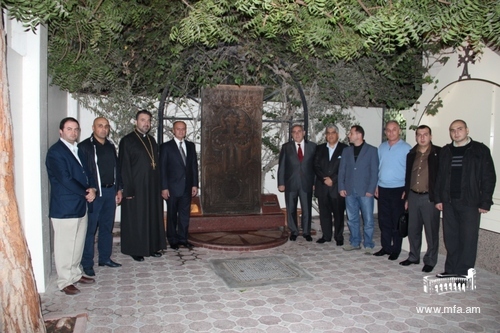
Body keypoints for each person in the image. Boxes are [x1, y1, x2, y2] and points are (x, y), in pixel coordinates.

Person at [434, 119, 496, 277]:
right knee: (451, 238)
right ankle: (450, 270)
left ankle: (464, 273)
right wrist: (439, 199)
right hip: (449, 202)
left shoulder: (480, 150)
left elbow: (489, 177)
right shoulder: (446, 151)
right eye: (452, 130)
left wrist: (485, 201)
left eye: (459, 129)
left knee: (468, 240)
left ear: (467, 130)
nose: (456, 132)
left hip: (470, 202)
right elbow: (439, 177)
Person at [46, 117, 97, 295]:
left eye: (75, 129)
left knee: (77, 244)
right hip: (65, 207)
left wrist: (92, 189)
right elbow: (65, 179)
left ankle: (75, 274)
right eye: (69, 129)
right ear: (61, 131)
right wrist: (86, 192)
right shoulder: (56, 152)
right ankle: (64, 281)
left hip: (80, 206)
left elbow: (87, 172)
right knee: (65, 245)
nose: (73, 132)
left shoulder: (77, 150)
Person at [118, 110, 166, 261]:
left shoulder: (152, 140)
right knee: (137, 218)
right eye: (143, 120)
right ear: (136, 122)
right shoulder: (127, 141)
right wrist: (128, 189)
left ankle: (151, 247)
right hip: (136, 188)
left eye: (148, 121)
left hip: (151, 187)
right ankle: (136, 249)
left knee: (151, 216)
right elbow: (124, 166)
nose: (146, 123)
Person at [79, 117, 123, 277]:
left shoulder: (111, 146)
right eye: (100, 126)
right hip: (95, 195)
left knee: (106, 228)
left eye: (106, 126)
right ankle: (87, 263)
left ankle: (105, 258)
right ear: (93, 127)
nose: (103, 129)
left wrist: (119, 189)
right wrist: (88, 190)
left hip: (110, 192)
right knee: (90, 230)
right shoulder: (84, 147)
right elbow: (81, 172)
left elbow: (116, 169)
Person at [400, 125, 441, 273]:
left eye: (425, 134)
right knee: (413, 229)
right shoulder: (411, 154)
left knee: (431, 231)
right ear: (416, 137)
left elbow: (443, 178)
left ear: (430, 136)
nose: (422, 137)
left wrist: (439, 199)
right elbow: (408, 176)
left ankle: (430, 260)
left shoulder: (439, 153)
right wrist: (406, 196)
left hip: (429, 198)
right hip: (413, 196)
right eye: (419, 134)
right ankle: (413, 256)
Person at [338, 125, 379, 253]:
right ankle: (355, 242)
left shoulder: (372, 150)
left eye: (351, 133)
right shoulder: (346, 151)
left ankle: (368, 244)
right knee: (352, 218)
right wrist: (341, 186)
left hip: (365, 190)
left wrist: (371, 189)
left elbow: (374, 171)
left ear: (359, 135)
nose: (349, 136)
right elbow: (342, 170)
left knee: (368, 219)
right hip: (349, 190)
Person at [374, 121, 411, 260]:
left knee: (397, 220)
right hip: (383, 188)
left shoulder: (407, 148)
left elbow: (410, 172)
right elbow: (379, 168)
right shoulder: (381, 147)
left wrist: (407, 191)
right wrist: (376, 185)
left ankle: (396, 249)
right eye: (388, 130)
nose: (391, 132)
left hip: (398, 189)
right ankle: (385, 247)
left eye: (394, 130)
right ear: (385, 132)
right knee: (384, 220)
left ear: (399, 131)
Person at [160, 121, 199, 250]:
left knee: (184, 215)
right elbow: (163, 169)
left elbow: (193, 166)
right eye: (178, 129)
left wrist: (195, 184)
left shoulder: (191, 146)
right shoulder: (166, 147)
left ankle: (183, 238)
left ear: (186, 130)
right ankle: (172, 239)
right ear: (173, 130)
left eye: (183, 129)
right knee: (171, 215)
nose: (181, 131)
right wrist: (164, 187)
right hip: (171, 188)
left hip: (187, 188)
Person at [278, 124, 317, 241]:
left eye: (299, 131)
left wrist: (315, 182)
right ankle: (294, 231)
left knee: (306, 209)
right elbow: (282, 166)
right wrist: (281, 183)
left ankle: (306, 232)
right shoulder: (286, 147)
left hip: (307, 183)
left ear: (304, 133)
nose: (297, 134)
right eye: (294, 132)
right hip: (291, 183)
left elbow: (316, 167)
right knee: (291, 209)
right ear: (291, 135)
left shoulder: (313, 147)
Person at [313, 124, 348, 245]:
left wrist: (333, 179)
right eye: (328, 133)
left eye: (333, 133)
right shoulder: (319, 148)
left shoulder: (345, 149)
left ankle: (339, 237)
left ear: (337, 135)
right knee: (324, 214)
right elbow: (316, 166)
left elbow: (345, 168)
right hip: (322, 187)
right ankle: (326, 236)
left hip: (337, 187)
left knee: (338, 214)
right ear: (325, 135)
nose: (330, 135)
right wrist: (324, 179)